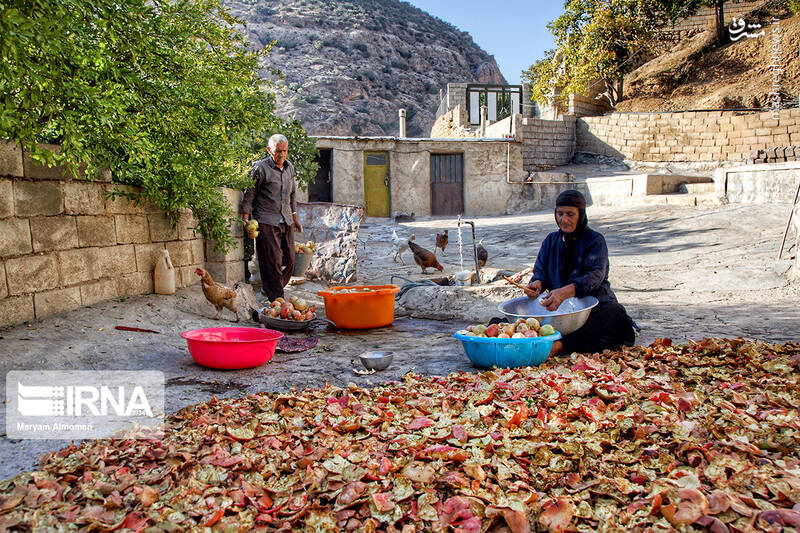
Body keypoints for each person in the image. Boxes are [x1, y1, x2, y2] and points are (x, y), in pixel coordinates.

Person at [525, 189, 634, 356]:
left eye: (570, 214)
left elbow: (595, 275)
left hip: (593, 306)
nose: (564, 219)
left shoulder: (595, 240)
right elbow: (540, 271)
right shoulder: (550, 241)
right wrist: (537, 283)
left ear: (581, 215)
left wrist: (564, 293)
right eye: (560, 214)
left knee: (614, 315)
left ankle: (561, 345)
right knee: (513, 320)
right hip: (560, 310)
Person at [241, 134, 303, 300]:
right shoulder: (260, 168)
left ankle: (269, 289)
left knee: (290, 261)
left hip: (286, 219)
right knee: (273, 260)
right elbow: (249, 195)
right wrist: (246, 219)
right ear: (269, 150)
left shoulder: (289, 168)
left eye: (284, 151)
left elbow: (292, 194)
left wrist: (295, 217)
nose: (281, 155)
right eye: (278, 151)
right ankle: (277, 299)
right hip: (266, 220)